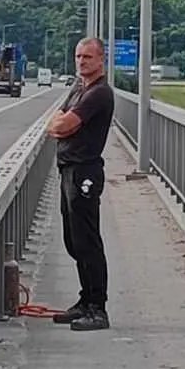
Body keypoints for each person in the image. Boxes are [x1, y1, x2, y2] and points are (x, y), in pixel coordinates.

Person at [47, 35, 112, 331]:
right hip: (68, 168)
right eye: (78, 56)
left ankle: (97, 307)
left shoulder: (98, 93)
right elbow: (55, 122)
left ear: (100, 60)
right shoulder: (78, 88)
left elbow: (62, 124)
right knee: (73, 240)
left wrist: (62, 125)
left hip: (84, 171)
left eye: (87, 57)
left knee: (87, 240)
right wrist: (61, 124)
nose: (81, 61)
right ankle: (84, 300)